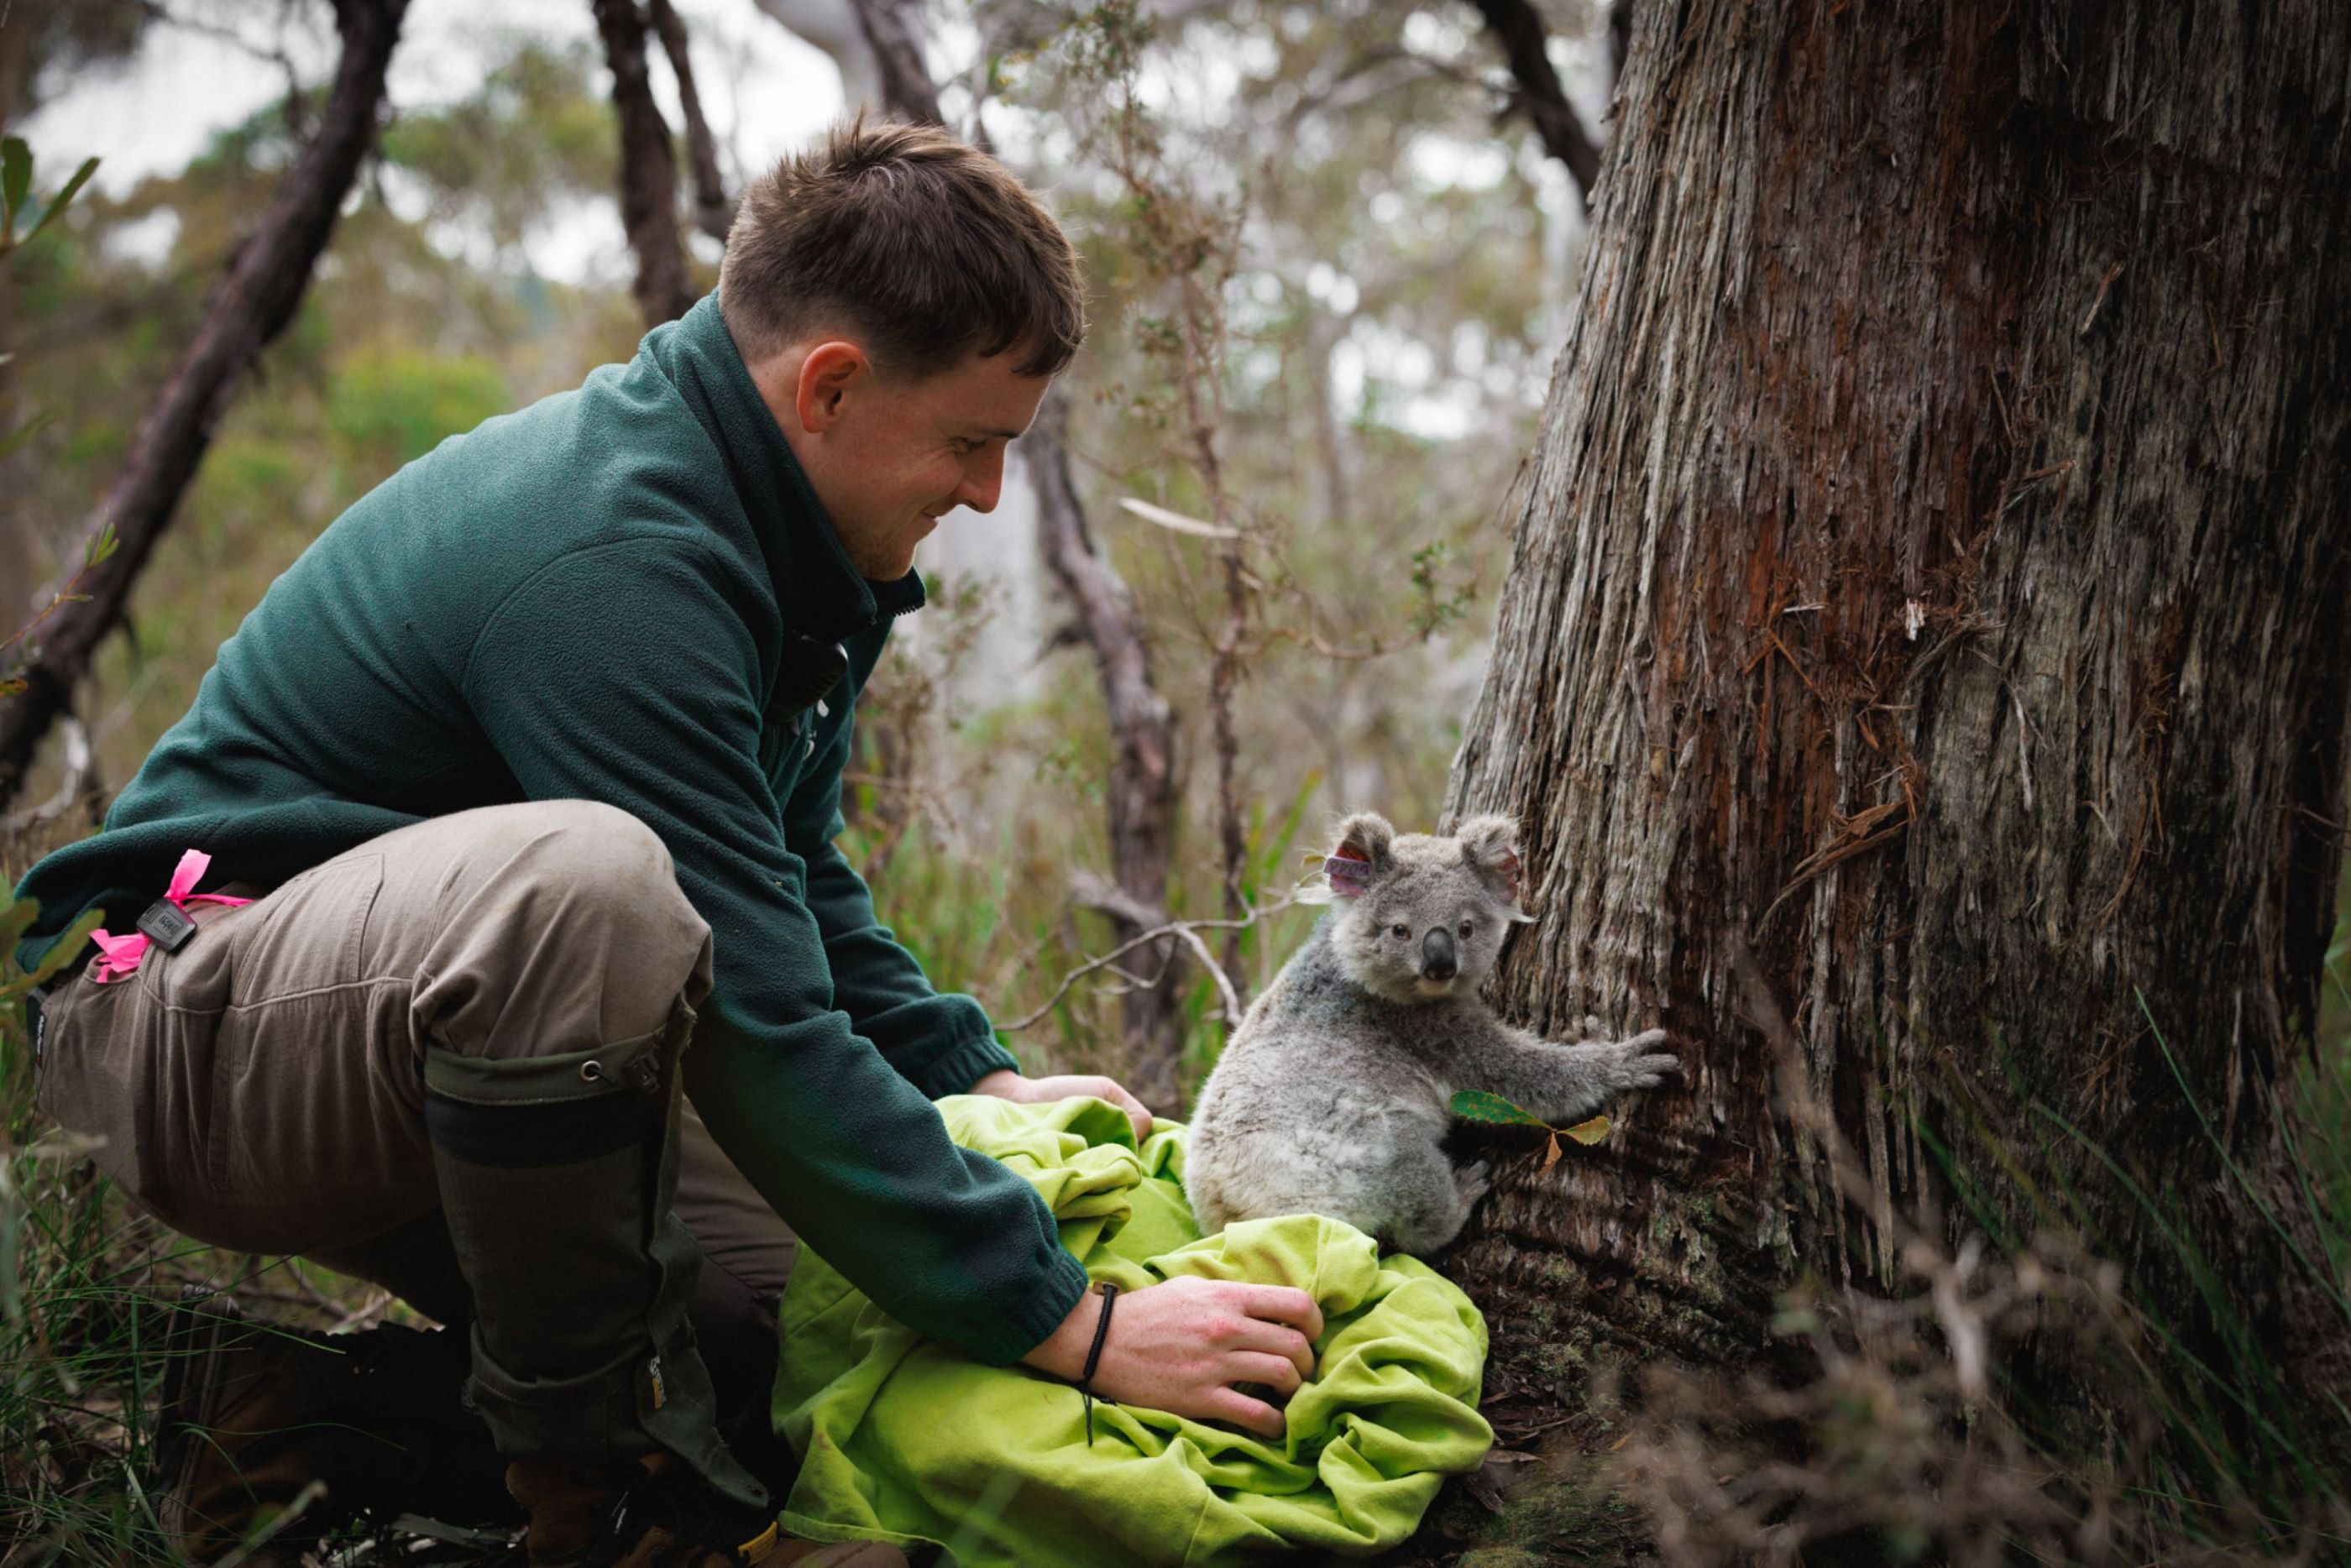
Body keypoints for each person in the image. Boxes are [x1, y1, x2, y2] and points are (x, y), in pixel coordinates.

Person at [14, 116, 1324, 1568]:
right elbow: (755, 1010)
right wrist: (1073, 1325)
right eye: (970, 442)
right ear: (828, 385)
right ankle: (612, 1504)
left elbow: (789, 880)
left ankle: (283, 1421)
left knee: (818, 1330)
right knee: (590, 888)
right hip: (171, 1013)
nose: (983, 494)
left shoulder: (786, 539)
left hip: (422, 1026)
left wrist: (979, 1078)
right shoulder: (624, 557)